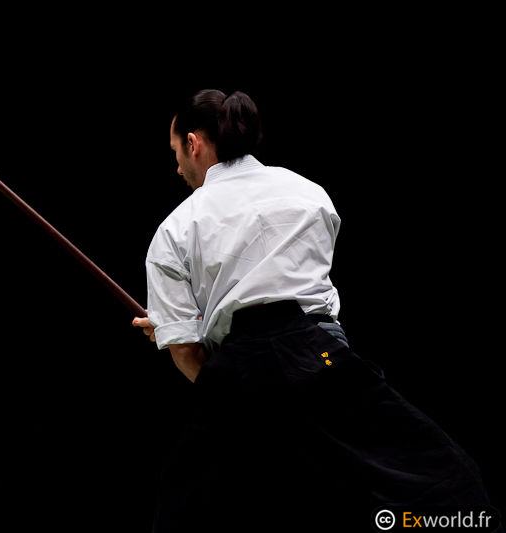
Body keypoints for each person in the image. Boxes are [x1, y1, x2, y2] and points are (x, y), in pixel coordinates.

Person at [132, 90, 499, 532]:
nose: (177, 167)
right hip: (319, 355)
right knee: (434, 478)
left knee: (189, 517)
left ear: (192, 143)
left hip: (240, 371)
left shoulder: (174, 228)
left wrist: (191, 339)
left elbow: (187, 352)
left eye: (175, 151)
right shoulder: (310, 194)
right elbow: (280, 285)